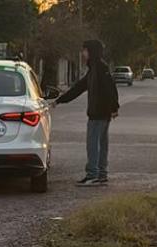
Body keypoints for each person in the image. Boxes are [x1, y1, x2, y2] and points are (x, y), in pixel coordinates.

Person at [51, 39, 119, 186]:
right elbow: (79, 88)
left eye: (85, 50)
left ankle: (93, 175)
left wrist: (114, 107)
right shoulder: (94, 69)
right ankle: (100, 175)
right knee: (100, 144)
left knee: (93, 145)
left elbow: (110, 89)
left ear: (91, 51)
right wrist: (60, 100)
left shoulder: (100, 68)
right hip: (100, 113)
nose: (83, 53)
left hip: (99, 113)